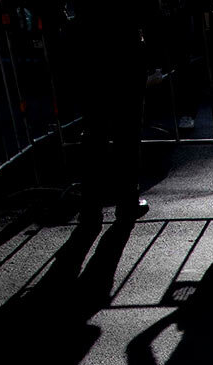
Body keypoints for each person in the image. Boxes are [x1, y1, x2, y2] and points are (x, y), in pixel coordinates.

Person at [74, 1, 151, 219]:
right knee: (127, 129)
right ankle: (127, 199)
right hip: (126, 45)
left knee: (94, 129)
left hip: (91, 46)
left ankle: (90, 204)